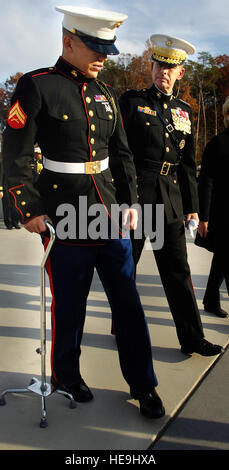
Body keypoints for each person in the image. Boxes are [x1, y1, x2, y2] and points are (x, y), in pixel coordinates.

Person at [2, 6, 165, 419]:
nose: (103, 57)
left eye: (107, 49)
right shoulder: (37, 86)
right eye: (95, 47)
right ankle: (67, 376)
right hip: (62, 217)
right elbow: (17, 154)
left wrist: (130, 206)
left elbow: (122, 157)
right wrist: (29, 210)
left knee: (128, 304)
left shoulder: (107, 94)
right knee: (69, 307)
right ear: (68, 42)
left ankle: (143, 384)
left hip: (109, 216)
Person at [119, 34, 223, 356]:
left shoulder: (185, 111)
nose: (163, 71)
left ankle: (192, 337)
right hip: (136, 196)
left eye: (170, 67)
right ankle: (122, 329)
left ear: (180, 73)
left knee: (178, 271)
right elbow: (119, 152)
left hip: (170, 199)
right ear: (151, 66)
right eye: (158, 64)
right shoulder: (132, 103)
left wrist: (193, 207)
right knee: (126, 269)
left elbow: (189, 165)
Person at [197, 96, 229, 318]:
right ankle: (210, 299)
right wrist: (203, 217)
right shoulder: (218, 144)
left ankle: (210, 299)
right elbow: (205, 182)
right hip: (223, 215)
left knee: (222, 258)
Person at [0, 159, 21, 229]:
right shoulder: (2, 163)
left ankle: (15, 222)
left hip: (16, 188)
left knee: (16, 206)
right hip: (6, 188)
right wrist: (0, 190)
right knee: (7, 206)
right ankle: (8, 223)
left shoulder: (17, 163)